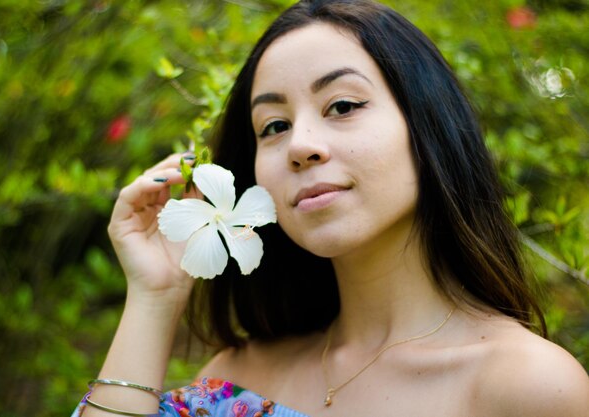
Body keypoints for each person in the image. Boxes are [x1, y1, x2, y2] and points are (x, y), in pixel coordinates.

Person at [75, 1, 589, 416]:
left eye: (342, 106)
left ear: (427, 126)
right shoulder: (235, 381)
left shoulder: (529, 388)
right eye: (273, 126)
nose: (301, 144)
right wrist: (154, 298)